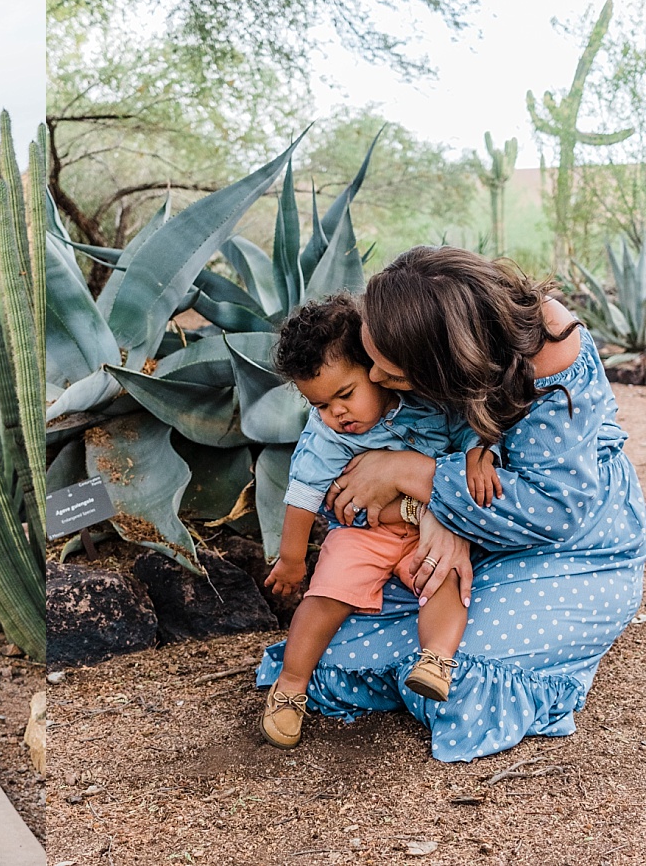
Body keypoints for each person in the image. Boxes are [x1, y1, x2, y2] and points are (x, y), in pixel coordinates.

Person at [257, 246, 646, 762]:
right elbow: (341, 496)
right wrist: (434, 514)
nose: (373, 381)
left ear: (445, 367)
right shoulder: (374, 355)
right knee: (330, 657)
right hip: (453, 529)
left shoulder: (548, 347)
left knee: (463, 684)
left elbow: (552, 511)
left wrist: (415, 476)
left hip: (570, 543)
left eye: (390, 375)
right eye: (369, 364)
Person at [259, 294, 498, 749]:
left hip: (434, 523)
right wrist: (292, 559)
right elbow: (305, 492)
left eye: (344, 395)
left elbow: (468, 422)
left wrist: (479, 454)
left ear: (374, 365)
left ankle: (436, 660)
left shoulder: (424, 398)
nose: (336, 414)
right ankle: (290, 685)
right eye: (321, 405)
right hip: (365, 531)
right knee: (331, 590)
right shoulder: (327, 434)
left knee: (445, 576)